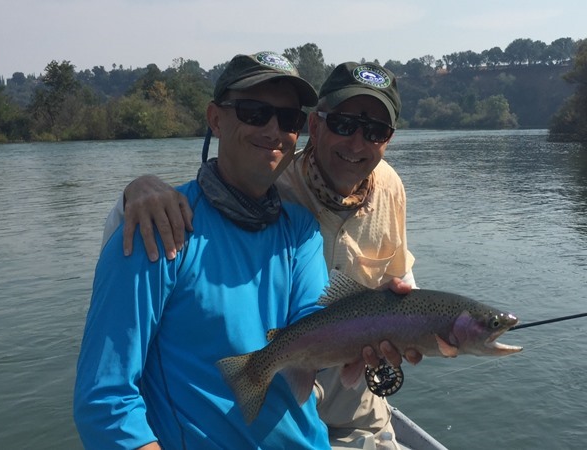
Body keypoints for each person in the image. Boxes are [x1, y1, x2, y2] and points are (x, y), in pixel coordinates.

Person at [110, 61, 421, 450]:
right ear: (317, 126)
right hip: (281, 396)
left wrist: (403, 327)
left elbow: (327, 310)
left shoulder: (310, 222)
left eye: (375, 131)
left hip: (346, 395)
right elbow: (108, 397)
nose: (357, 143)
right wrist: (136, 190)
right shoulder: (183, 218)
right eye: (254, 113)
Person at [74, 51, 336, 450]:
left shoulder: (300, 229)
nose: (273, 130)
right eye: (253, 112)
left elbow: (314, 326)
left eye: (289, 119)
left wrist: (384, 318)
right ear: (215, 118)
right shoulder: (158, 227)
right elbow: (105, 401)